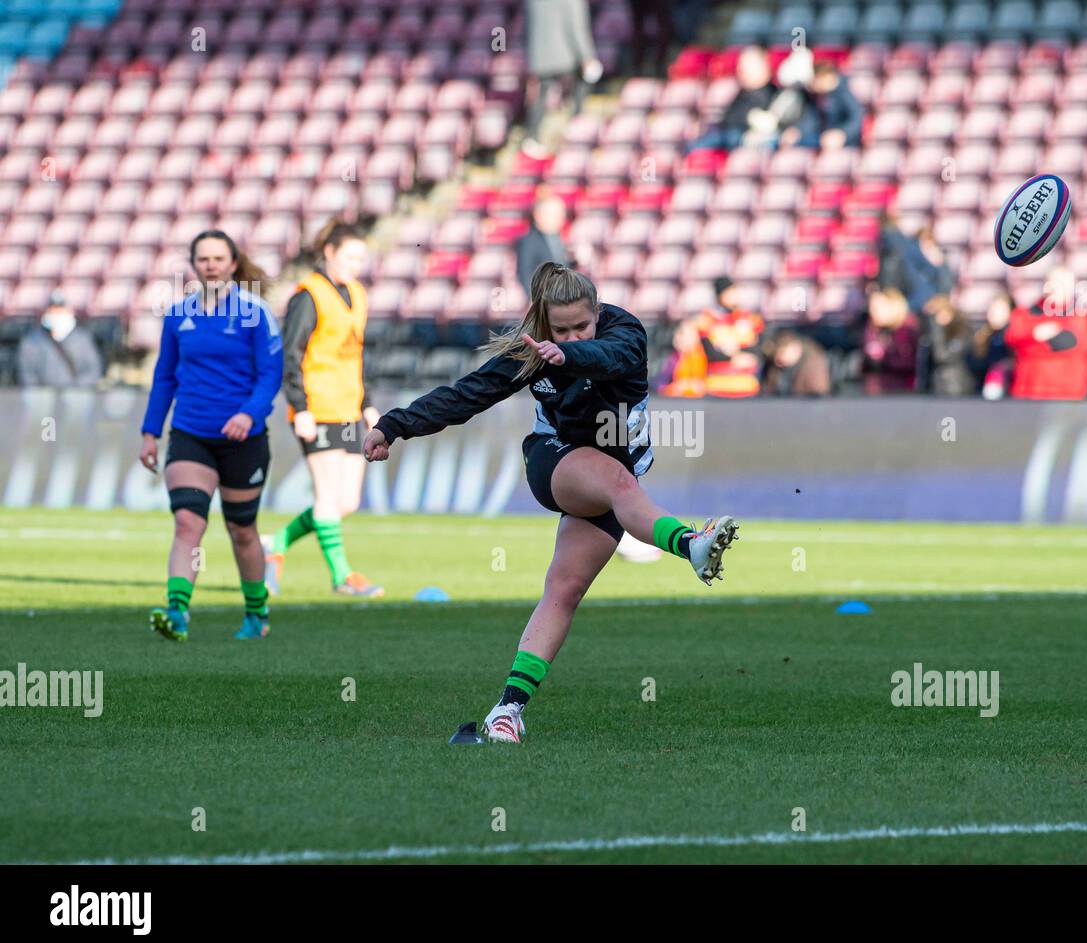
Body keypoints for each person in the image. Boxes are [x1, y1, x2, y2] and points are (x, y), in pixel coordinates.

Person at [361, 263, 740, 743]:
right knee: (621, 484)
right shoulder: (533, 349)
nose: (569, 335)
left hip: (609, 478)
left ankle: (507, 711)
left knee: (564, 590)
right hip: (555, 461)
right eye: (559, 328)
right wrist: (394, 425)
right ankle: (691, 545)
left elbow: (607, 356)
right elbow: (467, 396)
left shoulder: (625, 332)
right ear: (542, 320)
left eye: (580, 325)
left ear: (597, 312)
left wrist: (569, 351)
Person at [138, 230, 283, 641]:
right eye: (203, 259)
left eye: (218, 258)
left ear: (233, 264)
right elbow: (165, 377)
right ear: (194, 265)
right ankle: (177, 612)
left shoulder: (255, 312)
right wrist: (150, 432)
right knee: (187, 522)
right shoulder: (177, 314)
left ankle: (257, 614)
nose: (211, 265)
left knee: (241, 530)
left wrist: (248, 415)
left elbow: (270, 373)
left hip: (243, 438)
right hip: (190, 434)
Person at [264, 220, 382, 599]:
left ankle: (277, 541)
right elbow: (291, 355)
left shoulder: (358, 294)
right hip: (318, 407)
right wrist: (299, 408)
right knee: (329, 498)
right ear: (329, 252)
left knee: (346, 501)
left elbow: (356, 355)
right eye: (349, 256)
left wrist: (367, 403)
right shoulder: (308, 295)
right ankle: (342, 576)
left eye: (361, 258)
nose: (355, 264)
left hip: (349, 408)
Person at [523, 0, 603, 158]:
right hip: (564, 56)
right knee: (582, 80)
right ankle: (576, 124)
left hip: (540, 56)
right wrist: (587, 57)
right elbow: (577, 28)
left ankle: (532, 137)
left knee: (541, 94)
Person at [1005, 268, 1087, 400]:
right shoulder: (1023, 314)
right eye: (1052, 282)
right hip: (1028, 393)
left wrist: (1032, 341)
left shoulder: (1081, 316)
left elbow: (1071, 344)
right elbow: (1013, 340)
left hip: (1067, 395)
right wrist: (1035, 336)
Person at [687, 46, 781, 152]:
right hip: (728, 134)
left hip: (746, 139)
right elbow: (728, 118)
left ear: (764, 66)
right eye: (741, 65)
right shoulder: (741, 93)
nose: (741, 70)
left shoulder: (773, 92)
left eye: (748, 65)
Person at [693, 277, 765, 397]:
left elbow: (758, 349)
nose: (734, 296)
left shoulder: (751, 319)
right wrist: (733, 358)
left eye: (735, 291)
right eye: (729, 292)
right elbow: (709, 354)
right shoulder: (707, 320)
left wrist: (733, 352)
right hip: (717, 387)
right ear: (720, 295)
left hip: (747, 387)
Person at [16, 291, 103, 387]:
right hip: (43, 398)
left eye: (60, 309)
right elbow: (27, 373)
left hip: (75, 397)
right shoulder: (32, 341)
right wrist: (39, 394)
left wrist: (76, 390)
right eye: (53, 310)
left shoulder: (83, 340)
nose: (56, 314)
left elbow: (93, 370)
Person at [788, 59, 864, 150]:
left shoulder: (846, 91)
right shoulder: (817, 95)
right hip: (822, 137)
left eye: (816, 80)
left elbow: (856, 118)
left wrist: (843, 134)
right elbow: (811, 118)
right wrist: (798, 131)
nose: (813, 84)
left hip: (847, 142)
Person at [862, 287, 920, 394]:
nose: (872, 312)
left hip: (904, 391)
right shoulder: (873, 329)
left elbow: (908, 363)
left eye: (877, 308)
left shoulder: (908, 329)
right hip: (876, 389)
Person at [515, 194, 572, 291]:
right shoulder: (529, 242)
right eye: (554, 214)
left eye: (562, 214)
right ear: (538, 215)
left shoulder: (557, 238)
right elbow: (525, 276)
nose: (561, 218)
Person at [761, 328, 831, 396]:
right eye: (775, 357)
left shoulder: (815, 363)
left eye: (781, 353)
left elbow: (818, 395)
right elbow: (768, 390)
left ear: (794, 347)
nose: (777, 361)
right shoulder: (773, 366)